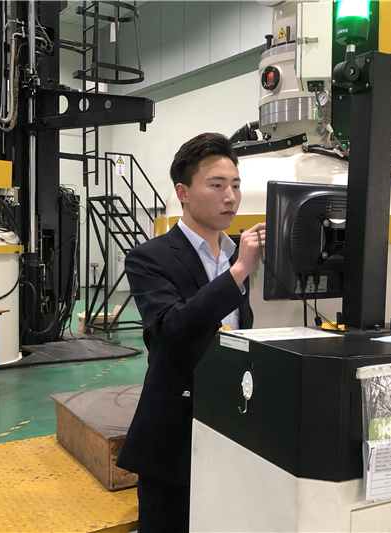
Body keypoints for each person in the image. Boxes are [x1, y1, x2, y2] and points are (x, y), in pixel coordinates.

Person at [116, 132, 265, 532]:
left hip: (231, 423)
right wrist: (239, 272)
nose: (230, 197)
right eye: (217, 185)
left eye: (235, 185)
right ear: (183, 192)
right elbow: (173, 327)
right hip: (175, 435)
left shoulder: (233, 255)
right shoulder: (149, 258)